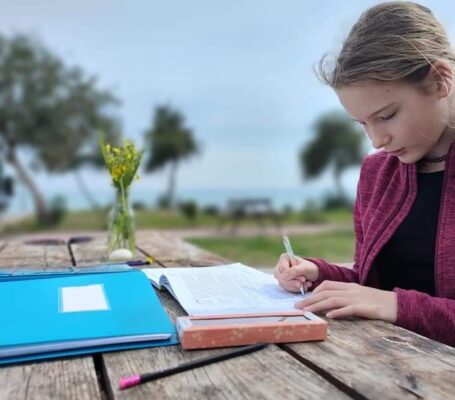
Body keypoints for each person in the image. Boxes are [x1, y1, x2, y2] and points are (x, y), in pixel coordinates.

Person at [274, 1, 455, 346]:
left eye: (386, 116)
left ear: (440, 80)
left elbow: (389, 301)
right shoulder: (378, 173)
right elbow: (374, 286)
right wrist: (319, 274)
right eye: (362, 123)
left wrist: (400, 305)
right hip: (385, 365)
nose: (376, 141)